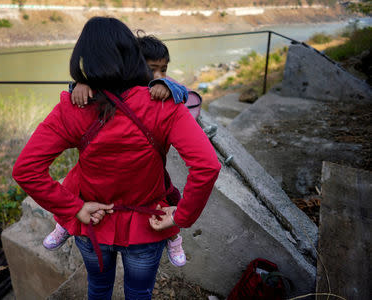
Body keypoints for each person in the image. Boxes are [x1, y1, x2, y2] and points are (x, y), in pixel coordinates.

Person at [12, 16, 220, 300]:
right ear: (133, 55)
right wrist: (181, 215)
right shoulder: (164, 106)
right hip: (147, 226)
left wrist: (74, 208)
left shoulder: (72, 108)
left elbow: (26, 170)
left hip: (91, 223)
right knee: (139, 293)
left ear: (84, 59)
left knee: (98, 288)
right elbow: (207, 166)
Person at [43, 33, 198, 268]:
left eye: (163, 70)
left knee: (163, 198)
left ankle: (173, 237)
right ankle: (64, 224)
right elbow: (97, 85)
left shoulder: (164, 90)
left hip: (144, 172)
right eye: (152, 69)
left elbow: (183, 93)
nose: (158, 75)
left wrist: (166, 86)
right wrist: (81, 84)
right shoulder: (113, 86)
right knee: (77, 184)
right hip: (102, 169)